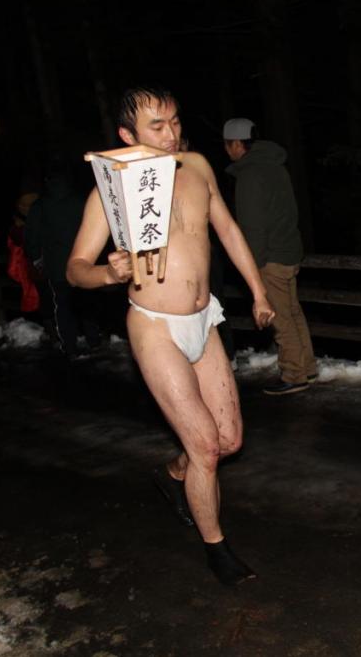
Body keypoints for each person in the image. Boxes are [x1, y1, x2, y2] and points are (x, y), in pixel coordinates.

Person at [67, 87, 275, 585]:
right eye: (156, 127)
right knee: (206, 444)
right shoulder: (112, 191)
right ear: (126, 136)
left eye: (175, 121)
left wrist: (259, 291)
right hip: (155, 326)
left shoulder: (199, 167)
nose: (171, 134)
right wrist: (108, 274)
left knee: (228, 440)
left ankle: (176, 472)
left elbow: (227, 229)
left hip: (204, 320)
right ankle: (217, 549)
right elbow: (75, 270)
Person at [223, 117, 316, 395]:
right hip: (289, 251)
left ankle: (294, 374)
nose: (227, 150)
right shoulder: (277, 167)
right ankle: (307, 367)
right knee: (293, 312)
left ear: (238, 144)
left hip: (270, 256)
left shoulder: (250, 175)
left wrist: (254, 265)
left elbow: (252, 226)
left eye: (228, 145)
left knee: (280, 317)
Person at [26, 162, 101, 359]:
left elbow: (32, 236)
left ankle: (70, 345)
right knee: (87, 302)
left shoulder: (40, 206)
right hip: (84, 262)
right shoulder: (81, 200)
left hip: (57, 264)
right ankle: (94, 340)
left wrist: (36, 258)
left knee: (62, 305)